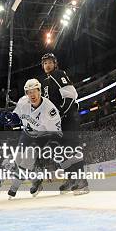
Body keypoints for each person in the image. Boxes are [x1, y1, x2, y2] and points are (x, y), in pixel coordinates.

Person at [0, 78, 62, 198]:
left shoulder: (49, 109)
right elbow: (16, 118)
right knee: (17, 161)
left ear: (39, 91)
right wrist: (7, 119)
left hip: (42, 136)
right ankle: (36, 181)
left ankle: (14, 188)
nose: (32, 94)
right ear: (26, 94)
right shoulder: (23, 102)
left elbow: (55, 132)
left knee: (28, 159)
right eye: (29, 92)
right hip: (27, 134)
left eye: (34, 91)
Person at [40, 53, 88, 195]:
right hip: (57, 122)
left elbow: (71, 94)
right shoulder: (44, 83)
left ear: (55, 64)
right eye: (45, 63)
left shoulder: (58, 74)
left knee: (72, 147)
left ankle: (82, 181)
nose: (47, 65)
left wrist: (60, 113)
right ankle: (71, 179)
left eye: (50, 62)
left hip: (68, 118)